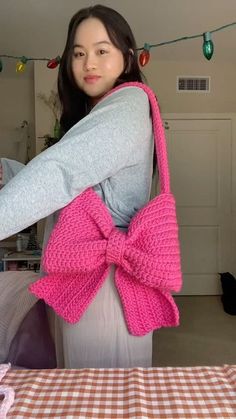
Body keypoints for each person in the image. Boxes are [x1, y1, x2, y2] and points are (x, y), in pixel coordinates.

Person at [0, 5, 154, 368]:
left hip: (102, 289)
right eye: (79, 53)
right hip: (93, 284)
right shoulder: (106, 112)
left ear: (127, 58)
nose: (89, 63)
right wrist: (10, 170)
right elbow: (82, 192)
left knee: (97, 399)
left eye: (102, 51)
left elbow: (60, 173)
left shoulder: (127, 104)